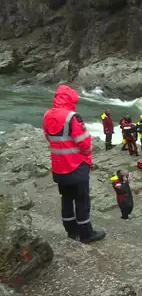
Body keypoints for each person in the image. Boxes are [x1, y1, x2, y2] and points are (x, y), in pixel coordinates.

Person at [42, 84, 106, 244]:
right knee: (82, 201)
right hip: (76, 167)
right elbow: (84, 144)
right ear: (70, 99)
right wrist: (87, 153)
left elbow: (49, 138)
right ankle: (86, 234)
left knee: (66, 199)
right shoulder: (72, 117)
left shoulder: (47, 115)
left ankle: (71, 232)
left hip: (59, 168)